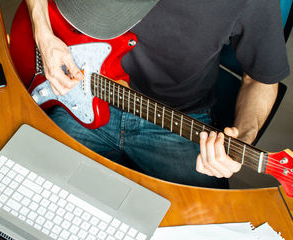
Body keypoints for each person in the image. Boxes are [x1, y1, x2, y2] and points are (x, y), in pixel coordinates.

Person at [24, 0, 290, 188]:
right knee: (26, 183)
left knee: (202, 234)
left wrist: (242, 138)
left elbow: (261, 80)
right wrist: (43, 34)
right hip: (85, 94)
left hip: (177, 123)